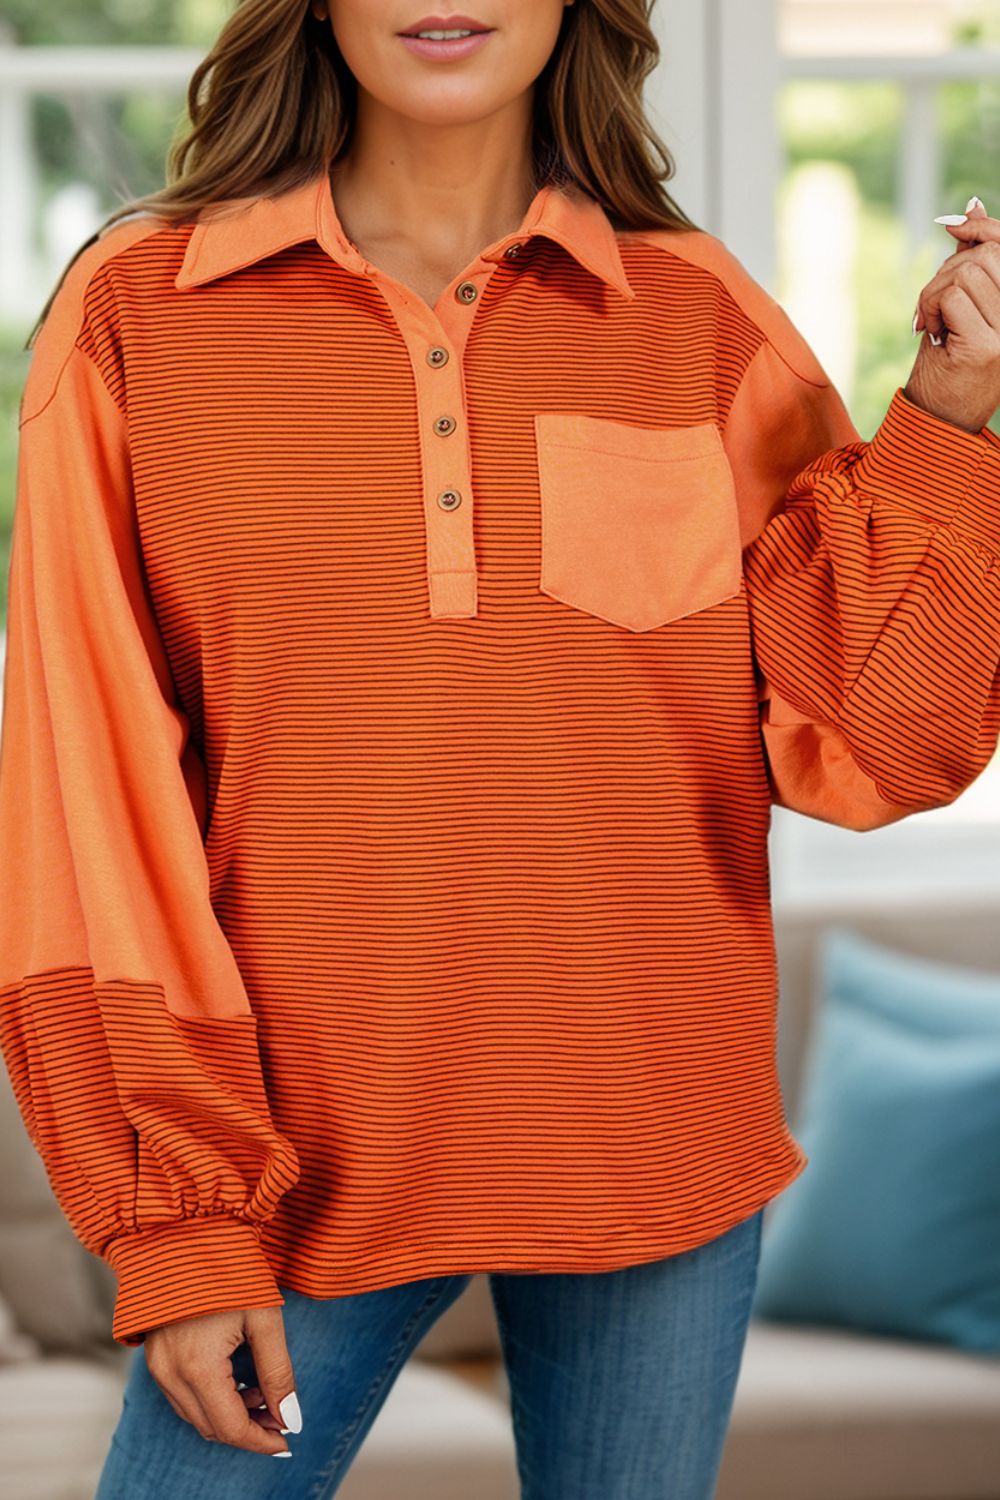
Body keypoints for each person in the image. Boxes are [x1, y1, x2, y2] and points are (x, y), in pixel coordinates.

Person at [2, 0, 999, 1495]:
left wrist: (952, 416)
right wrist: (183, 1218)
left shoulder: (696, 312)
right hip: (299, 1167)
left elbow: (871, 742)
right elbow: (86, 799)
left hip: (661, 1136)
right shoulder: (141, 307)